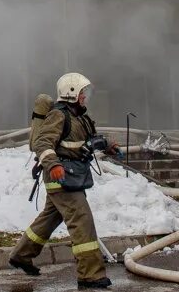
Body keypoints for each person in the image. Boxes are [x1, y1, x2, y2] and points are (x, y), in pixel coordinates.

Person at [9, 72, 117, 289]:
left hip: (73, 175)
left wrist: (107, 145)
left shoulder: (80, 116)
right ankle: (90, 274)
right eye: (82, 92)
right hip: (61, 177)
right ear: (71, 93)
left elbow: (89, 139)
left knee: (50, 218)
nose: (85, 96)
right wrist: (54, 165)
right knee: (82, 220)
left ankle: (21, 255)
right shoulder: (59, 115)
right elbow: (43, 143)